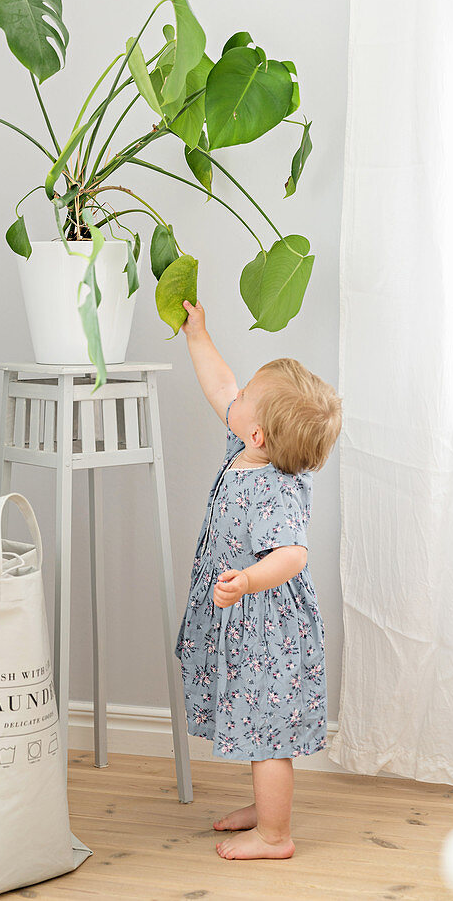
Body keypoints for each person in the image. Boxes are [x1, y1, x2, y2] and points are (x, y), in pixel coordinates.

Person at [175, 298, 342, 861]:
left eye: (246, 396)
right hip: (249, 618)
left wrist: (247, 580)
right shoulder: (246, 445)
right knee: (255, 717)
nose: (235, 397)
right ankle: (266, 807)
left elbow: (292, 555)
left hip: (269, 624)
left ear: (262, 435)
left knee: (268, 728)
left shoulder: (273, 486)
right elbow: (220, 386)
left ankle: (275, 834)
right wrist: (198, 334)